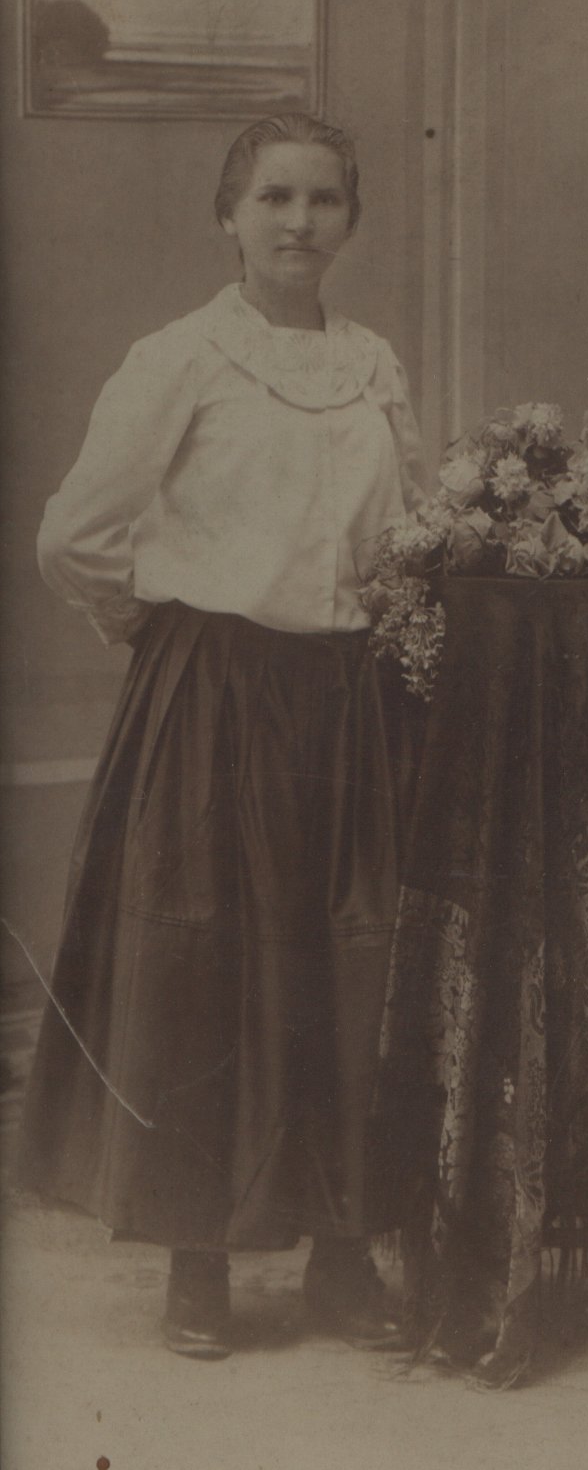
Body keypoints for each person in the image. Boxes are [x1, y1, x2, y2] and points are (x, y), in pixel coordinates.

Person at [19, 114, 426, 1361]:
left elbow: (403, 534)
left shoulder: (374, 365)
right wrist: (153, 628)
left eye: (323, 199)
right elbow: (73, 537)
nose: (299, 222)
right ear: (228, 213)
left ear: (352, 218)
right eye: (274, 198)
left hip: (347, 699)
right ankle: (196, 1258)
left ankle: (342, 1253)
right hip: (212, 695)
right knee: (203, 969)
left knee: (346, 964)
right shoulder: (180, 357)